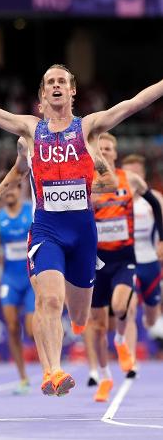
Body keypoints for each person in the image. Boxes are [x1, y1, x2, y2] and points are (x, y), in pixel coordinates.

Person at [0, 52, 163, 396]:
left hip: (84, 233)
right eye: (50, 82)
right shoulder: (30, 128)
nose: (56, 86)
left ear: (72, 92)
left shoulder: (87, 128)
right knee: (50, 300)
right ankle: (53, 370)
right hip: (47, 230)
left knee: (80, 315)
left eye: (62, 82)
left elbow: (133, 103)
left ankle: (65, 343)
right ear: (42, 97)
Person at [90, 133, 163, 403]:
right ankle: (105, 376)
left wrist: (162, 237)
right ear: (95, 154)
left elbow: (155, 203)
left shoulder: (129, 180)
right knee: (97, 327)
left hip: (124, 257)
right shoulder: (90, 182)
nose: (106, 152)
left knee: (121, 307)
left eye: (109, 149)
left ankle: (121, 340)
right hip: (95, 260)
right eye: (101, 149)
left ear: (115, 153)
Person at [0, 182, 34, 394]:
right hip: (10, 279)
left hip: (32, 279)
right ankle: (23, 378)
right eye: (7, 190)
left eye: (15, 189)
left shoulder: (31, 211)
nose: (11, 192)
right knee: (12, 327)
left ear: (21, 191)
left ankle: (49, 370)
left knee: (32, 331)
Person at [121, 154, 163, 374]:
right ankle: (130, 361)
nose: (133, 177)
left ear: (143, 175)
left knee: (151, 316)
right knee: (129, 308)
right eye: (130, 173)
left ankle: (151, 320)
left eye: (137, 172)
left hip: (151, 263)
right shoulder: (117, 196)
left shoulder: (155, 198)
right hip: (128, 262)